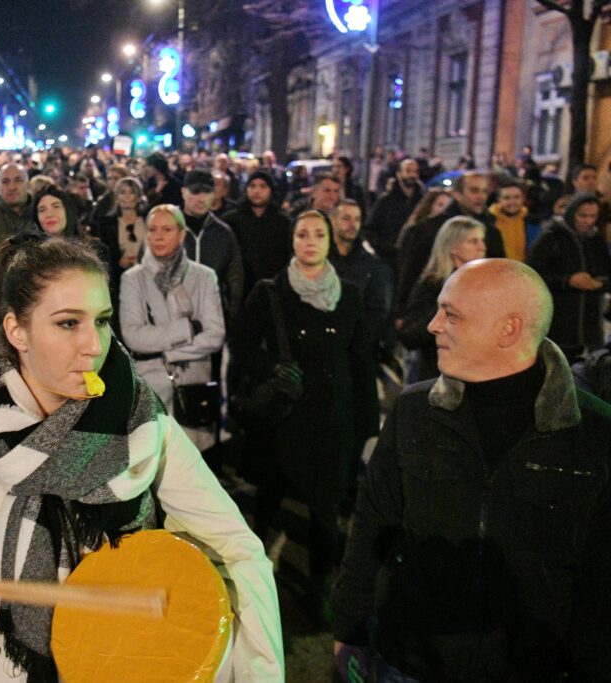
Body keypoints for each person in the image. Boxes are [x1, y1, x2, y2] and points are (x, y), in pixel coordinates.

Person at [0, 235, 284, 682]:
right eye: (69, 323)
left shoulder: (142, 421)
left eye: (103, 320)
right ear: (17, 331)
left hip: (116, 660)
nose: (94, 344)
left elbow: (238, 551)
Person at [333, 258, 611, 682]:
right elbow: (372, 525)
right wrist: (349, 626)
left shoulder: (594, 433)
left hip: (532, 669)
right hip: (409, 662)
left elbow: (601, 577)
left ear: (509, 329)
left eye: (452, 314)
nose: (433, 325)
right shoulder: (414, 411)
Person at [234, 210, 379, 622]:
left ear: (330, 241)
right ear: (292, 240)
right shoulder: (272, 291)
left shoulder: (348, 295)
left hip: (333, 417)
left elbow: (360, 360)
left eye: (319, 234)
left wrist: (366, 425)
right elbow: (243, 344)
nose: (310, 241)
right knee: (270, 497)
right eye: (302, 234)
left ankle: (319, 587)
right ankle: (252, 575)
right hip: (285, 416)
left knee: (325, 510)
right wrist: (270, 370)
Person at [119, 204, 226, 452]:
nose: (158, 236)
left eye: (167, 229)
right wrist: (188, 329)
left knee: (192, 468)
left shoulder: (204, 276)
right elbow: (134, 336)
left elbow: (215, 334)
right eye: (153, 229)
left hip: (193, 388)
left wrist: (171, 354)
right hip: (152, 387)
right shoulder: (132, 278)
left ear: (181, 234)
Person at [396, 171, 505, 316]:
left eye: (485, 191)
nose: (481, 196)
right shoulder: (427, 229)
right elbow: (409, 272)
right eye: (474, 190)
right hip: (431, 310)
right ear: (457, 194)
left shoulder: (491, 232)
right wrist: (401, 313)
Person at [398, 217, 487, 382]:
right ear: (453, 247)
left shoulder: (486, 285)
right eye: (473, 241)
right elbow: (410, 334)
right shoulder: (432, 285)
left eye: (481, 240)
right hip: (437, 375)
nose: (482, 247)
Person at [527, 193, 611, 359]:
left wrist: (599, 284)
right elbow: (532, 275)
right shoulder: (551, 237)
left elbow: (607, 276)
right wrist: (567, 281)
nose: (588, 221)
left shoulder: (596, 241)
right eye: (583, 215)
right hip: (560, 328)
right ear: (572, 212)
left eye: (593, 216)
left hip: (590, 329)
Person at [180, 169, 245, 323]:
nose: (201, 198)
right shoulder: (167, 227)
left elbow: (235, 276)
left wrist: (229, 313)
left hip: (211, 320)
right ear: (183, 192)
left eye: (207, 192)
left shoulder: (223, 232)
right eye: (195, 191)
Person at [329, 199, 394, 355]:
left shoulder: (371, 265)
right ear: (332, 220)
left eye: (357, 219)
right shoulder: (320, 259)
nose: (353, 224)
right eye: (346, 218)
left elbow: (377, 311)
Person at [222, 168, 292, 301]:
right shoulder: (231, 220)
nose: (257, 191)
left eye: (263, 186)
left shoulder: (284, 223)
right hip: (239, 289)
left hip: (273, 289)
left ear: (271, 190)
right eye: (252, 186)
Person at [363, 158, 423, 275]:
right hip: (389, 263)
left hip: (415, 263)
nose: (412, 175)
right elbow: (369, 230)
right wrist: (387, 248)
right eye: (408, 171)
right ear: (399, 174)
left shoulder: (422, 201)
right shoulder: (385, 201)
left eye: (415, 171)